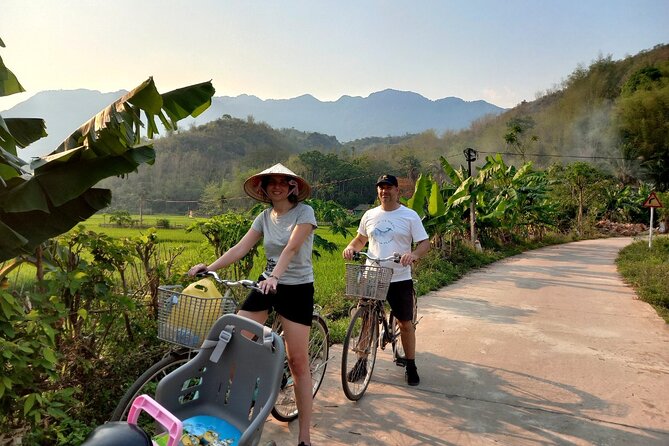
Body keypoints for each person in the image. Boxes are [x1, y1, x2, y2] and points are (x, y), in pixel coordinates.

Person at [189, 163, 316, 446]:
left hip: (296, 288)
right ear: (264, 188)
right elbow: (241, 247)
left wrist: (276, 276)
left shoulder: (304, 213)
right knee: (232, 341)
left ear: (293, 187)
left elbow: (292, 248)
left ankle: (305, 436)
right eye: (272, 182)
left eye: (284, 182)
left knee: (298, 362)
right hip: (266, 283)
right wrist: (209, 267)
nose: (278, 186)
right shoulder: (263, 216)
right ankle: (256, 393)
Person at [342, 174, 430, 386]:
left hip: (399, 277)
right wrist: (351, 247)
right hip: (373, 275)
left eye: (389, 187)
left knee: (405, 323)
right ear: (377, 191)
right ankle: (362, 362)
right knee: (367, 319)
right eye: (381, 188)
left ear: (397, 191)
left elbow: (424, 243)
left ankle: (411, 364)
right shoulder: (370, 215)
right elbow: (361, 238)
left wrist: (414, 255)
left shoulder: (409, 216)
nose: (385, 191)